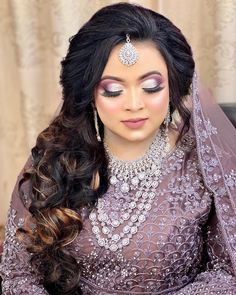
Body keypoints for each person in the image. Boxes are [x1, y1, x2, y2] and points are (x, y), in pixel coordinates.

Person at [0, 2, 236, 295]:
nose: (134, 104)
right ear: (89, 93)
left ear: (174, 86)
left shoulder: (205, 162)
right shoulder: (57, 158)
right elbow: (18, 276)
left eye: (151, 86)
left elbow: (229, 273)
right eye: (113, 90)